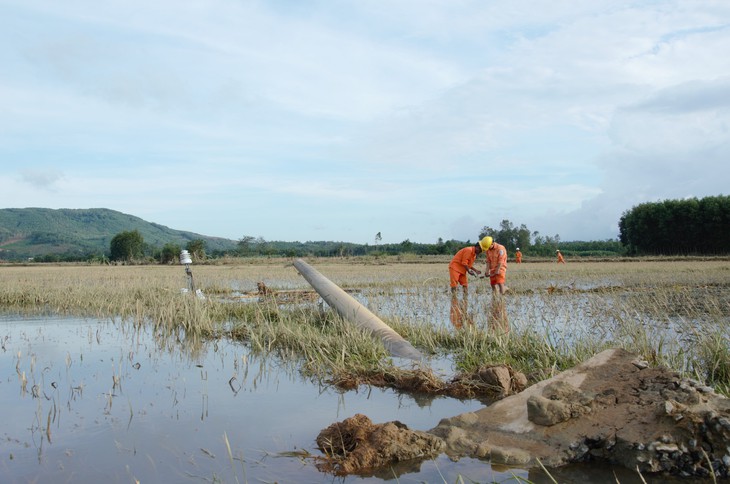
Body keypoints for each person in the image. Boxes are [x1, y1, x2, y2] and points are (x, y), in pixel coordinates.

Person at [448, 240, 486, 328]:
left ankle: (465, 299)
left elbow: (469, 264)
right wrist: (469, 271)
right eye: (480, 250)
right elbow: (464, 262)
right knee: (454, 284)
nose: (480, 252)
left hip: (463, 270)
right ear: (477, 247)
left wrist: (475, 270)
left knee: (465, 285)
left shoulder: (474, 255)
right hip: (455, 267)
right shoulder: (469, 250)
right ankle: (454, 299)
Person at [482, 236, 510, 333]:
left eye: (489, 246)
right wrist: (487, 271)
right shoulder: (488, 250)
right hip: (492, 269)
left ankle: (502, 298)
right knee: (493, 285)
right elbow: (488, 262)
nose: (488, 249)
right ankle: (495, 298)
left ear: (493, 243)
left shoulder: (500, 249)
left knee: (500, 283)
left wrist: (497, 270)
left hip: (500, 268)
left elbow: (501, 261)